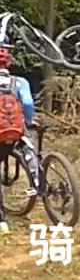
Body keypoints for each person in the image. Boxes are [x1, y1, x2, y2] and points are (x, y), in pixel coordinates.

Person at [0, 56, 40, 235]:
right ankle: (40, 182)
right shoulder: (19, 81)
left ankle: (1, 221)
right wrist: (29, 121)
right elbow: (29, 103)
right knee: (30, 148)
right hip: (16, 130)